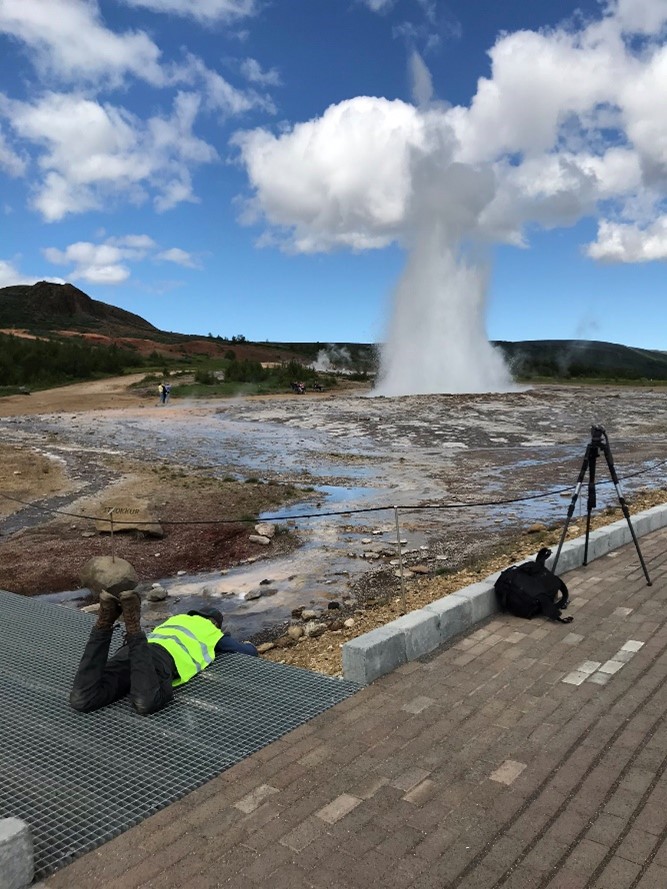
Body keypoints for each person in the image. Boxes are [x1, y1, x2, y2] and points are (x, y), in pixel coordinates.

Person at [70, 590, 258, 716]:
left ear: (194, 613)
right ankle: (134, 628)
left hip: (130, 651)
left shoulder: (176, 619)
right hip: (159, 660)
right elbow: (247, 652)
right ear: (214, 622)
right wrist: (249, 645)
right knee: (146, 703)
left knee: (83, 699)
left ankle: (104, 625)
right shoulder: (212, 631)